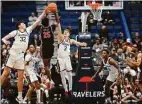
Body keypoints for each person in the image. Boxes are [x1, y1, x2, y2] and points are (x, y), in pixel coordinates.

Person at [1, 9, 46, 103]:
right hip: (13, 54)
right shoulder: (15, 32)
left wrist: (44, 12)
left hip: (21, 56)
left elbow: (37, 21)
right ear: (19, 26)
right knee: (5, 73)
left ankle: (20, 96)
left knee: (20, 77)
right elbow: (3, 38)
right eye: (23, 23)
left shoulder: (28, 31)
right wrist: (6, 41)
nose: (24, 24)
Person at [55, 12, 87, 96]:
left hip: (67, 58)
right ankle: (66, 90)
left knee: (69, 74)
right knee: (62, 75)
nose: (65, 33)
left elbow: (77, 43)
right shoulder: (60, 39)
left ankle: (70, 89)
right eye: (64, 32)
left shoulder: (71, 40)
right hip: (60, 59)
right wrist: (57, 21)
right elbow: (59, 29)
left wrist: (83, 44)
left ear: (69, 34)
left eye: (67, 32)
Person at [39, 16, 56, 82]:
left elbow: (37, 23)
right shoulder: (51, 27)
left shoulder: (40, 28)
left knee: (45, 65)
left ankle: (50, 79)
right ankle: (49, 77)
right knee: (49, 62)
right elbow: (56, 23)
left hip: (44, 47)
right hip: (51, 47)